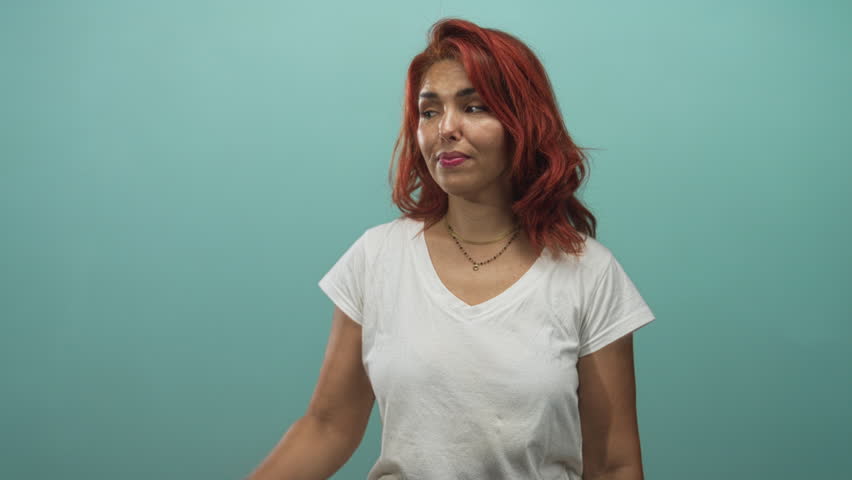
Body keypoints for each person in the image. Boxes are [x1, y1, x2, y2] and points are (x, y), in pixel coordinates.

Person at [247, 17, 656, 480]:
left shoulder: (590, 275)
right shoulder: (377, 257)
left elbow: (613, 465)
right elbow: (327, 427)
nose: (445, 129)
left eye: (475, 107)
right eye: (429, 111)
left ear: (522, 122)